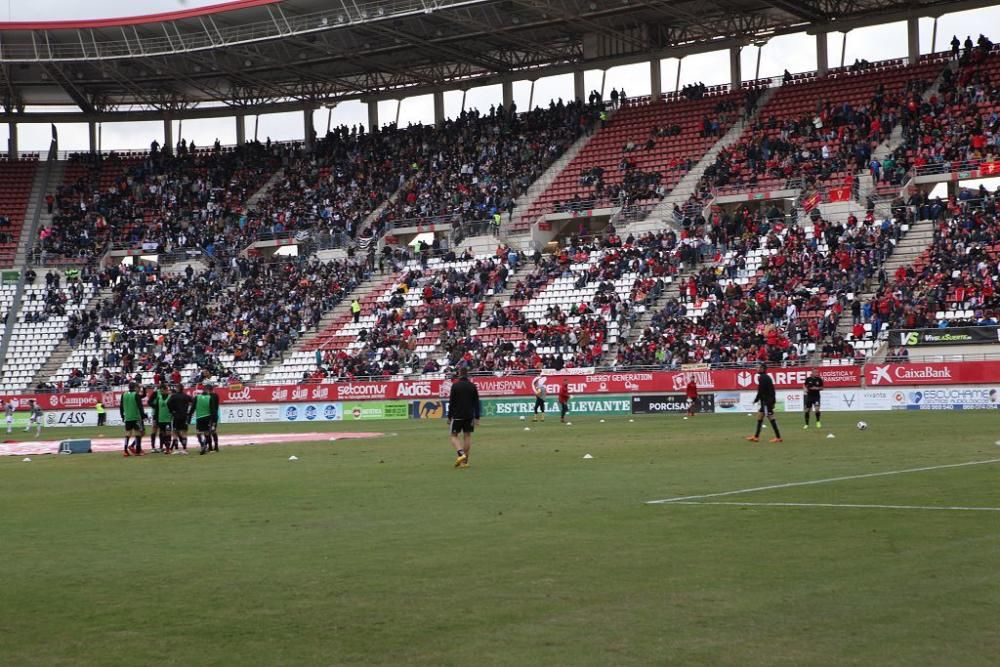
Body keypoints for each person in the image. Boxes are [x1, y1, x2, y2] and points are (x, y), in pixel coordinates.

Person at [447, 367, 480, 468]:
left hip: (458, 415)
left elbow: (451, 403)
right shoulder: (472, 386)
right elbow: (476, 402)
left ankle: (461, 454)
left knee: (453, 435)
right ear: (467, 374)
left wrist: (449, 416)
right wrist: (477, 417)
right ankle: (464, 462)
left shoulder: (455, 386)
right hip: (469, 415)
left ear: (459, 374)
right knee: (467, 436)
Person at [746, 363, 782, 443]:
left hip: (767, 402)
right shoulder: (764, 377)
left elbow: (761, 391)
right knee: (759, 417)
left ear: (762, 369)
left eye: (758, 367)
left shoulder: (763, 378)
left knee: (771, 418)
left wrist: (756, 399)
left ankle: (778, 437)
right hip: (765, 401)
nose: (756, 369)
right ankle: (756, 437)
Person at [119, 382, 145, 456]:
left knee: (128, 434)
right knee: (138, 433)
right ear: (134, 387)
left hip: (128, 417)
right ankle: (138, 451)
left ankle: (125, 450)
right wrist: (143, 415)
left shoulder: (124, 395)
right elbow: (140, 406)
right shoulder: (136, 395)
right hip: (136, 417)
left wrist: (122, 415)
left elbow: (121, 406)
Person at [166, 383, 194, 454]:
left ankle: (176, 449)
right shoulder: (186, 396)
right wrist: (189, 412)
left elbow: (168, 403)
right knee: (184, 432)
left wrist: (172, 411)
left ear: (177, 388)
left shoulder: (173, 396)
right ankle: (184, 449)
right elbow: (193, 401)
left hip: (176, 416)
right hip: (184, 416)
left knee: (175, 432)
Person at [194, 383, 220, 455]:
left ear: (208, 390)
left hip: (211, 416)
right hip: (212, 416)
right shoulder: (213, 396)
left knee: (210, 432)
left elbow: (214, 407)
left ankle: (213, 446)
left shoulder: (212, 396)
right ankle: (212, 447)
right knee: (211, 431)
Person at [148, 383, 173, 453]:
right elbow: (149, 402)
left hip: (164, 415)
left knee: (163, 432)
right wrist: (155, 406)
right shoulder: (156, 393)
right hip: (155, 414)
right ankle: (153, 447)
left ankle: (161, 447)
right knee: (154, 430)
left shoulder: (168, 394)